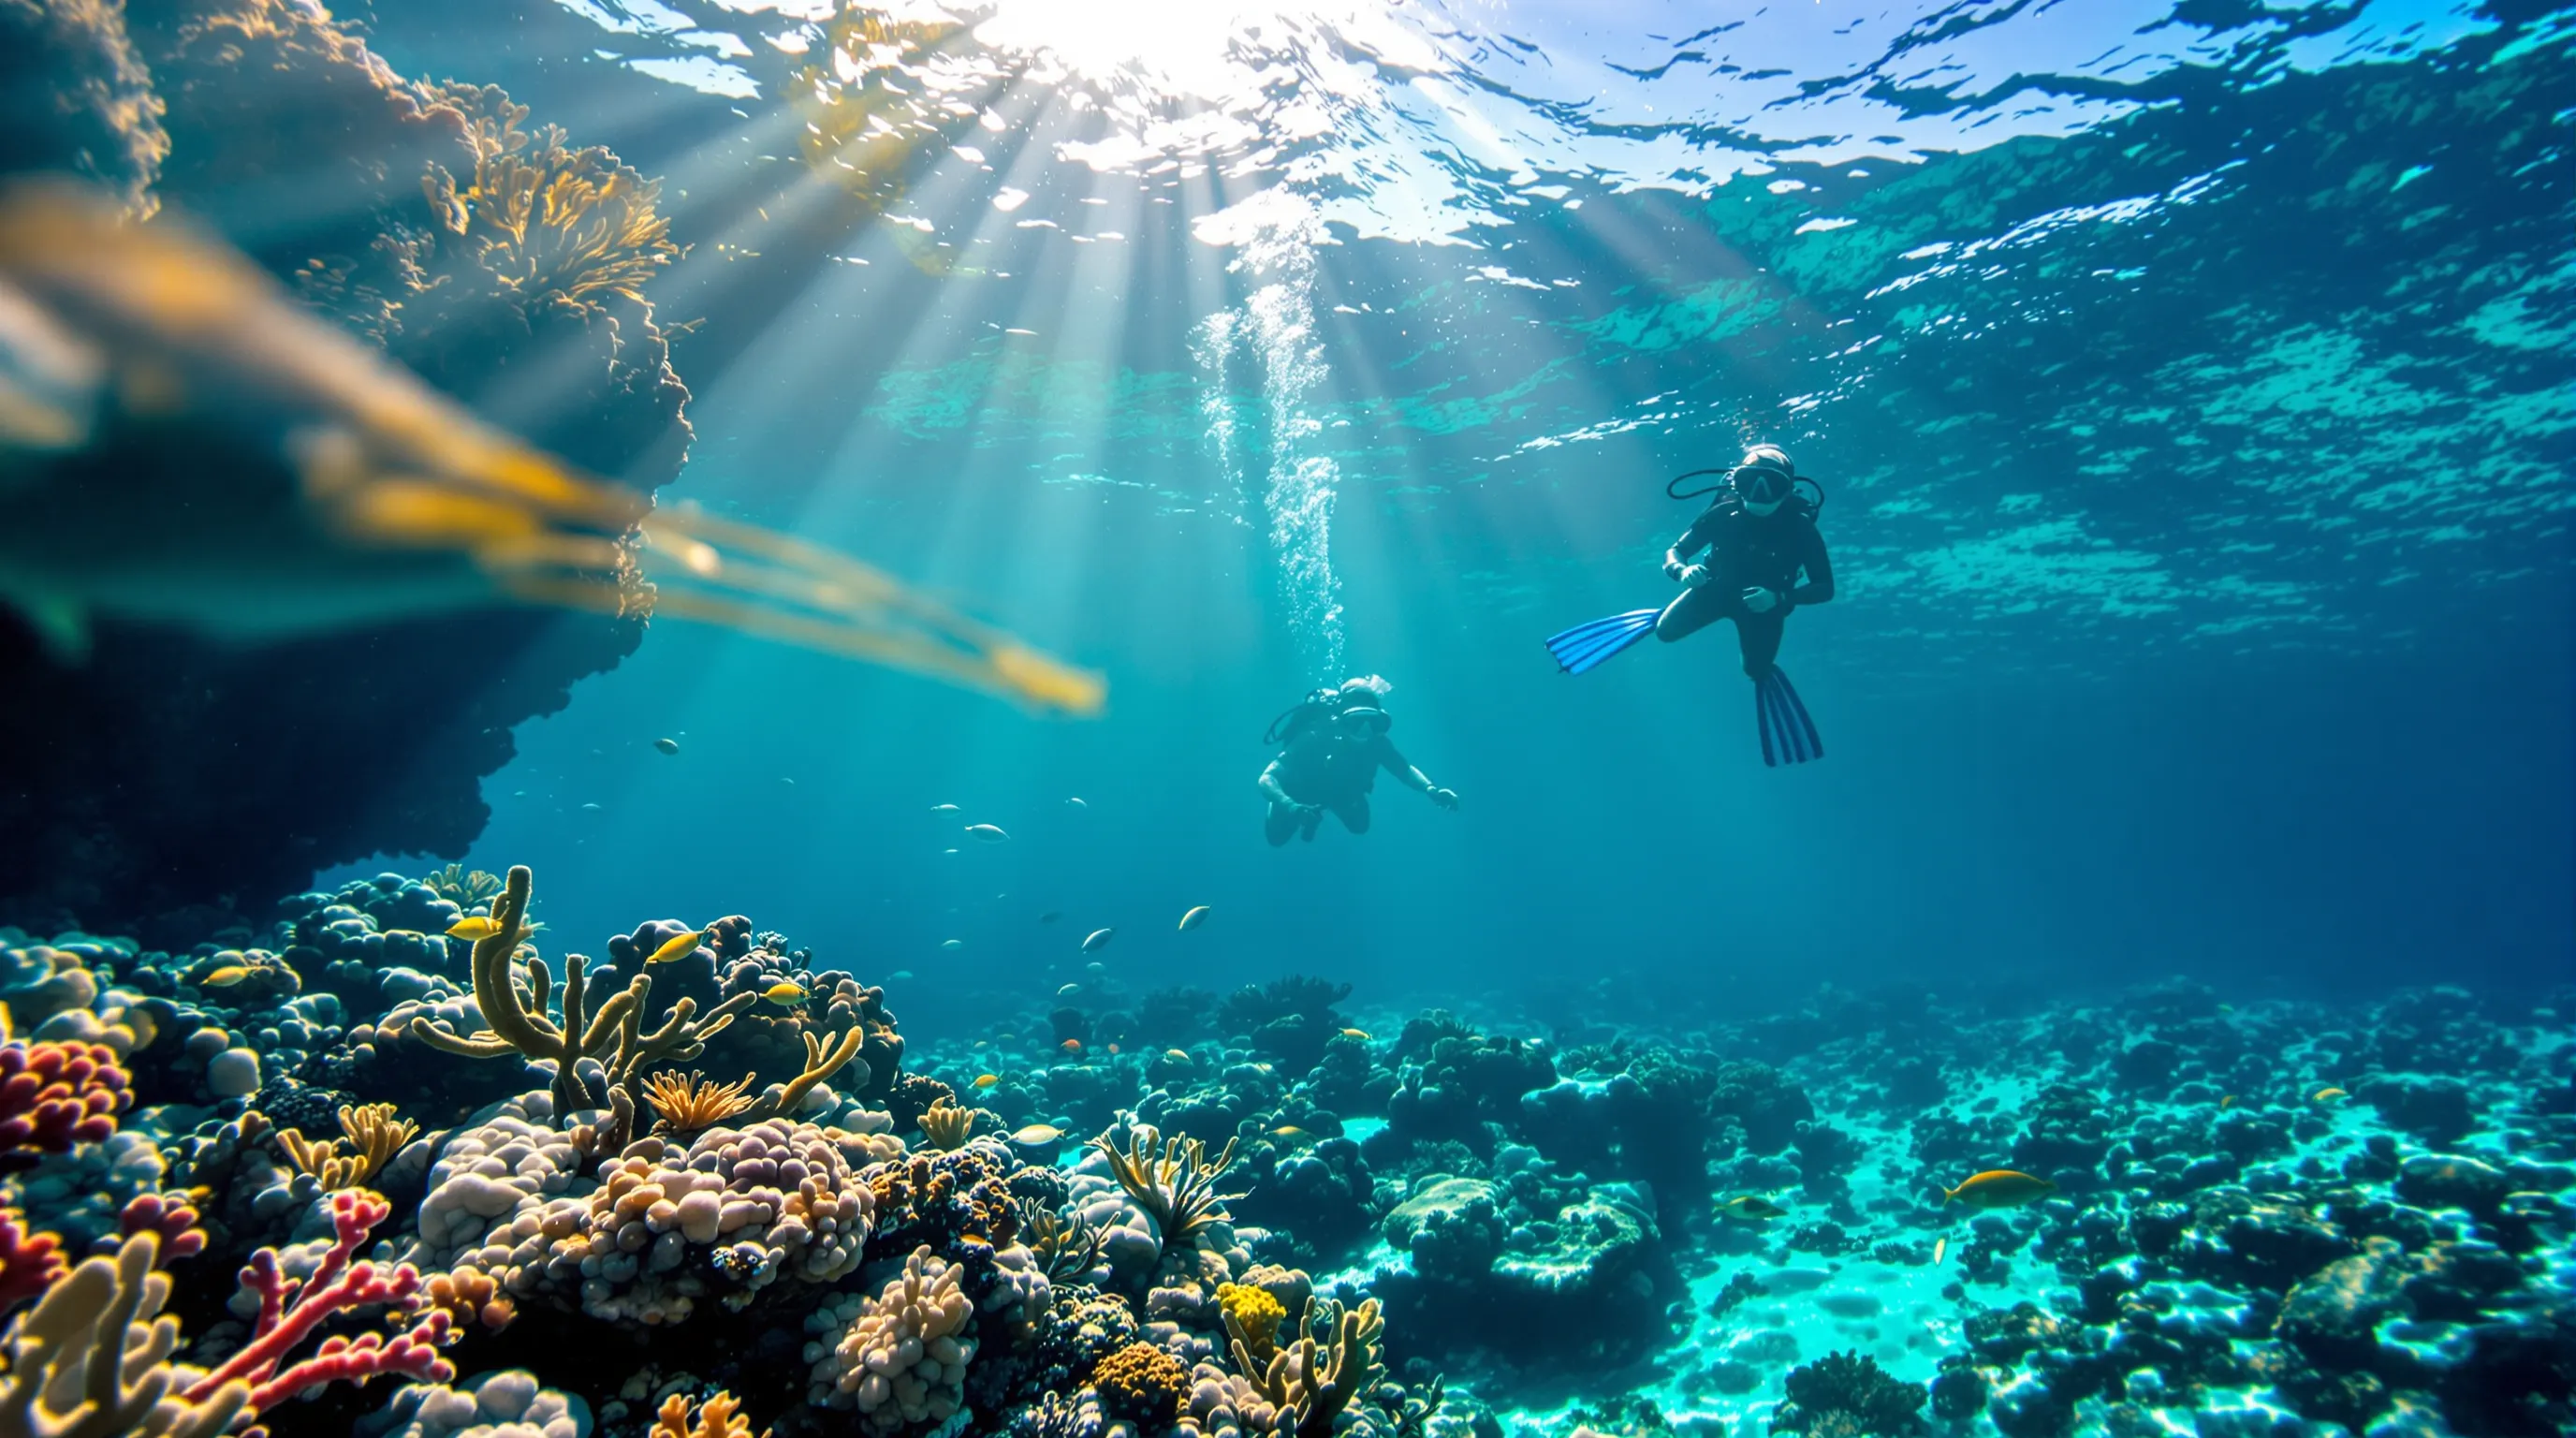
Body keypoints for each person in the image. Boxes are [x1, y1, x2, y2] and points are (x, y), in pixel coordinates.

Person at [1542, 444, 1836, 765]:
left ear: (1789, 489)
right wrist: (1683, 572)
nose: (1760, 493)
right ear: (1736, 483)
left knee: (1756, 670)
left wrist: (1780, 598)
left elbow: (1825, 587)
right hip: (1716, 589)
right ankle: (1657, 617)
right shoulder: (1723, 513)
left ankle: (1758, 671)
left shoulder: (1801, 527)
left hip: (1762, 607)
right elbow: (1675, 552)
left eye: (1772, 485)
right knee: (1664, 632)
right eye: (1751, 482)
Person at [1256, 676, 1458, 844]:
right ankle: (1303, 813)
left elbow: (1403, 769)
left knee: (1360, 826)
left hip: (1340, 793)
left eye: (1372, 722)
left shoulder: (1377, 743)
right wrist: (1290, 805)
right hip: (1299, 795)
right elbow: (1267, 778)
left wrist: (1430, 789)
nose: (1365, 731)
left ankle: (1317, 812)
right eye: (1356, 722)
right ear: (1341, 719)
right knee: (1276, 839)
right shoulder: (1314, 738)